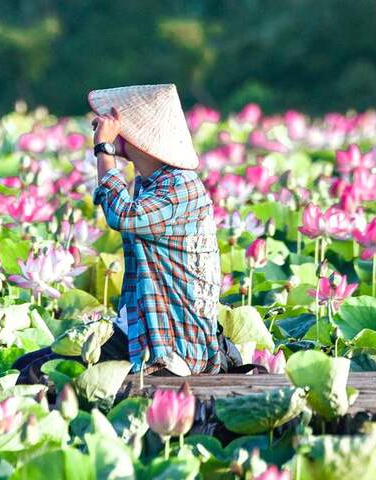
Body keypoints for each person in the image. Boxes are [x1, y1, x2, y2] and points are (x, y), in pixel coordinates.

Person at [14, 84, 224, 382]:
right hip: (143, 325)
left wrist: (104, 150)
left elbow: (122, 215)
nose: (113, 126)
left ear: (142, 134)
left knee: (35, 377)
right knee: (24, 365)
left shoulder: (181, 186)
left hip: (172, 341)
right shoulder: (150, 183)